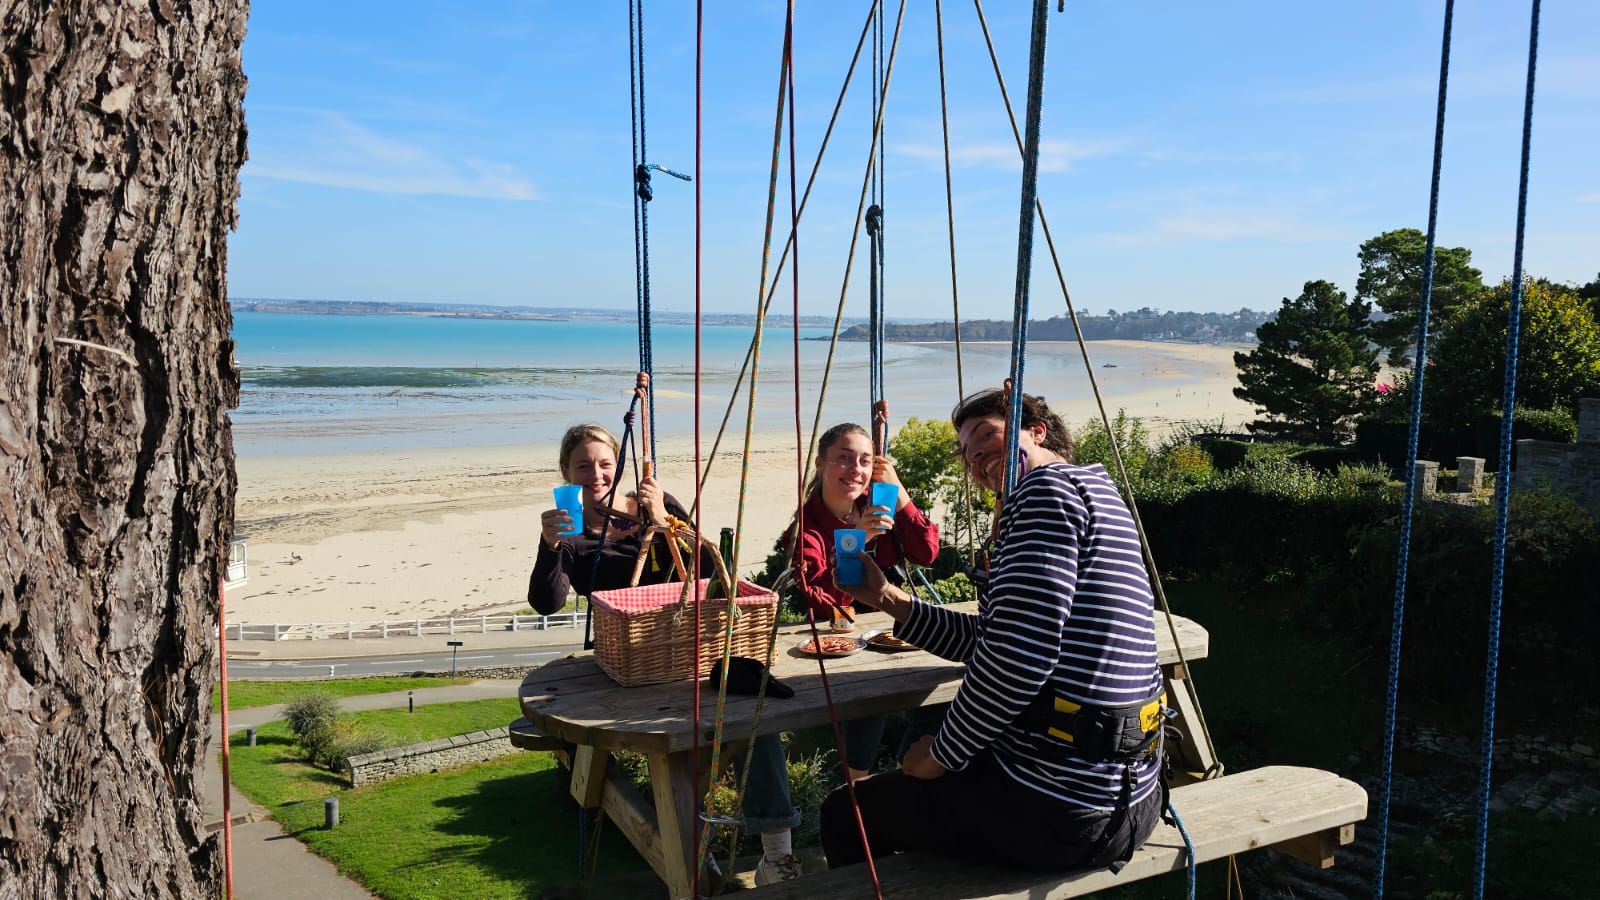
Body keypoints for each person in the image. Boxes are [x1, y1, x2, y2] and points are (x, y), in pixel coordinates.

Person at [819, 389, 1166, 872]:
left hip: (1060, 806)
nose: (977, 456)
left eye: (987, 437)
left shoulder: (1042, 493)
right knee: (916, 777)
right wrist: (890, 601)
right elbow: (997, 639)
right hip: (1128, 795)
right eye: (968, 450)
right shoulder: (1093, 489)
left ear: (1036, 431)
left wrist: (941, 755)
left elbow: (1017, 661)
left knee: (847, 813)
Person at [529, 424, 804, 885]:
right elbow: (547, 602)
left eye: (604, 464)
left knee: (753, 718)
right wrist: (549, 544)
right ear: (564, 473)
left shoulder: (652, 503)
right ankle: (695, 858)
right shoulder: (571, 532)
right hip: (629, 663)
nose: (596, 474)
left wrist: (663, 517)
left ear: (618, 467)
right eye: (582, 466)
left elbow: (709, 570)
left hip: (690, 647)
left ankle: (777, 853)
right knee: (676, 750)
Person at [786, 422, 940, 782]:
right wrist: (858, 538)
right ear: (820, 464)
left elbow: (927, 552)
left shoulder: (879, 504)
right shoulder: (809, 526)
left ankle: (912, 773)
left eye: (865, 461)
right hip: (845, 644)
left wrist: (900, 494)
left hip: (895, 632)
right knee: (871, 694)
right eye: (844, 458)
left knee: (950, 683)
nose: (856, 470)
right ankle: (858, 786)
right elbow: (824, 600)